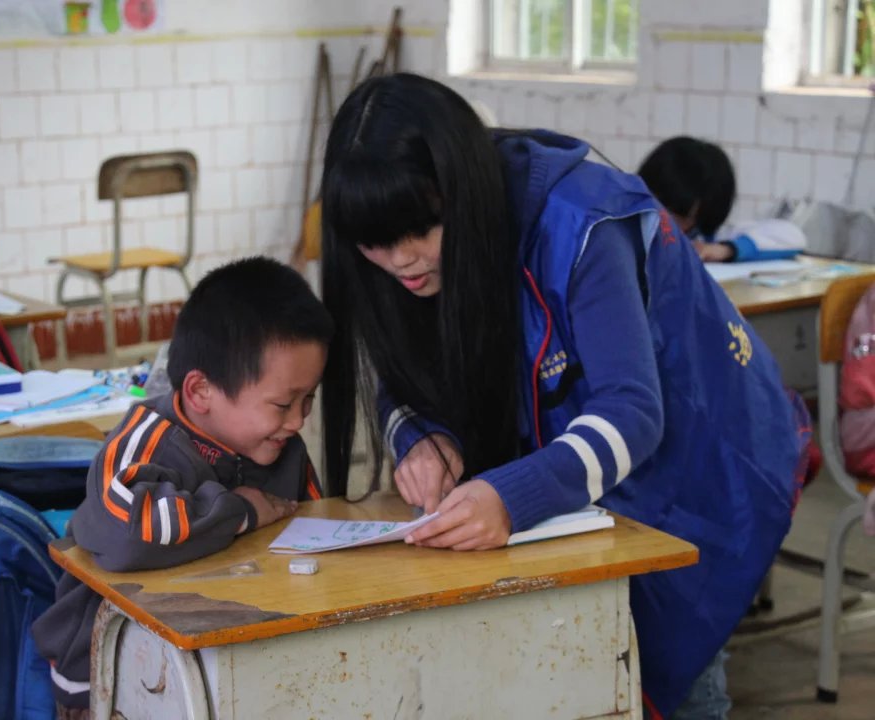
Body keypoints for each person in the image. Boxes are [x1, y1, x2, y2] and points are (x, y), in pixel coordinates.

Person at [319, 73, 810, 719]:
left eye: (422, 231)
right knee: (572, 663)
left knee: (674, 664)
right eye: (376, 244)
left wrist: (511, 495)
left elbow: (632, 414)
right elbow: (402, 367)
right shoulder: (404, 257)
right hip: (582, 466)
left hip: (700, 463)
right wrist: (419, 437)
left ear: (462, 192)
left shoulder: (580, 221)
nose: (401, 261)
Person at [33, 256, 331, 716]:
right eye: (283, 403)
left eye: (308, 399)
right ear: (200, 392)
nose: (298, 421)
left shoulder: (281, 446)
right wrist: (241, 512)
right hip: (112, 680)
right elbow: (128, 536)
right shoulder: (145, 442)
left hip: (227, 655)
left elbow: (318, 536)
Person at [638, 135, 806, 263]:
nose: (663, 220)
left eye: (680, 217)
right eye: (657, 206)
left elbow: (793, 236)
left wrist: (726, 250)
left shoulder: (705, 238)